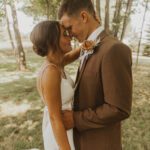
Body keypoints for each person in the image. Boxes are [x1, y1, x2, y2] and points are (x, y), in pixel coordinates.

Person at [58, 0, 133, 150]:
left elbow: (119, 108)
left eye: (70, 28)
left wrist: (76, 119)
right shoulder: (88, 45)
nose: (70, 34)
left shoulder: (114, 49)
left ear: (84, 17)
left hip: (100, 143)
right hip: (83, 141)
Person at [30, 20, 81, 150]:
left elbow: (72, 55)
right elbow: (54, 118)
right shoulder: (51, 72)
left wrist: (87, 43)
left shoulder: (57, 63)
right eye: (65, 34)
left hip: (65, 128)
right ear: (52, 41)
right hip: (60, 134)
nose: (70, 36)